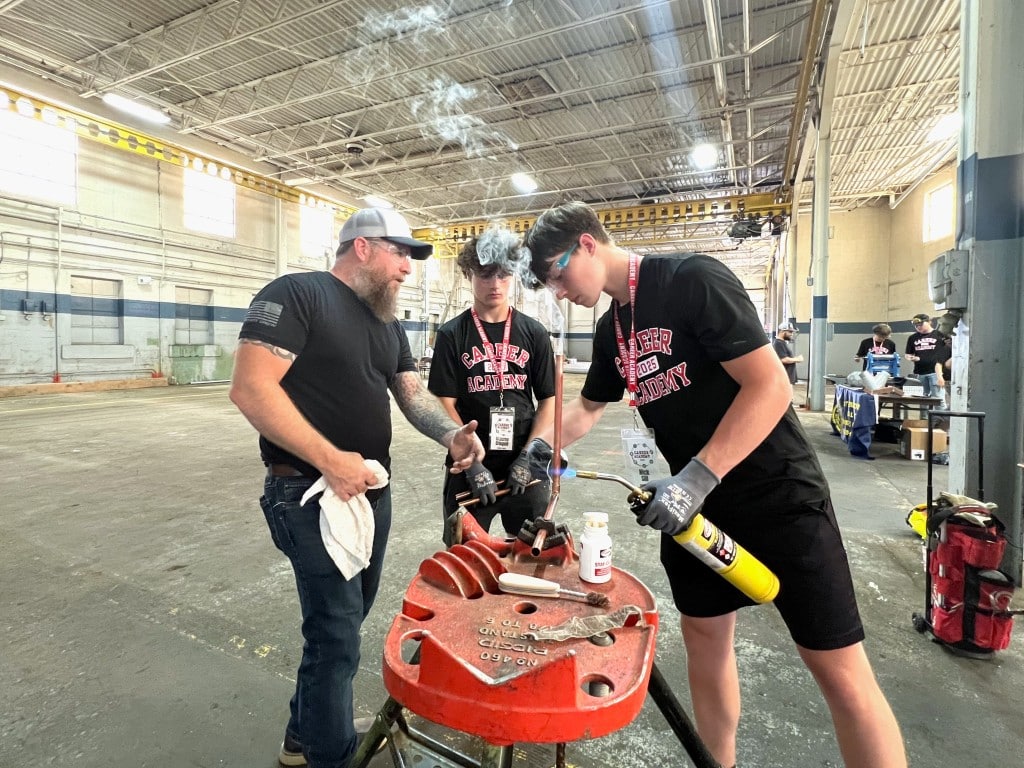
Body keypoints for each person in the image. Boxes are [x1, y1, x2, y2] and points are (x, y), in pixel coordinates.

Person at [520, 201, 907, 768]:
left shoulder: (691, 279)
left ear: (585, 243)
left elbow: (771, 387)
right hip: (695, 512)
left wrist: (695, 478)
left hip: (776, 495)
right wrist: (539, 449)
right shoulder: (612, 327)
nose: (557, 291)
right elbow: (588, 405)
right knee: (704, 641)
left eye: (556, 274)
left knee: (838, 669)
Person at [229, 207, 490, 768]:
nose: (408, 271)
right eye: (402, 255)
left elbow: (411, 394)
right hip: (308, 493)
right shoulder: (298, 295)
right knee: (336, 634)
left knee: (347, 620)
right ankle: (331, 755)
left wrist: (452, 435)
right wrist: (330, 460)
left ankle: (305, 736)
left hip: (369, 493)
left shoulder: (385, 322)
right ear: (364, 248)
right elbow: (251, 388)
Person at [428, 233, 556, 544]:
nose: (495, 284)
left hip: (524, 466)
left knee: (529, 554)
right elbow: (443, 402)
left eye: (504, 274)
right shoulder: (452, 334)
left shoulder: (534, 332)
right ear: (468, 274)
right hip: (468, 466)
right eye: (485, 274)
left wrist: (530, 456)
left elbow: (549, 400)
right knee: (464, 557)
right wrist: (472, 462)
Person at [905, 313, 949, 407]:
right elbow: (908, 354)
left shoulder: (940, 335)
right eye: (916, 325)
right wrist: (911, 358)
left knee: (938, 400)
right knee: (922, 401)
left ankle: (940, 420)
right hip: (920, 372)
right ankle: (924, 421)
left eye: (921, 324)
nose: (918, 327)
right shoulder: (912, 338)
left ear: (929, 322)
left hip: (935, 372)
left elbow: (949, 350)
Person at [771, 322, 803, 401]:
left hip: (787, 379)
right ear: (782, 331)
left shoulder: (782, 343)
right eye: (790, 332)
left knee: (788, 400)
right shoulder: (778, 344)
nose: (791, 334)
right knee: (785, 401)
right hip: (784, 379)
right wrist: (797, 359)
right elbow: (783, 359)